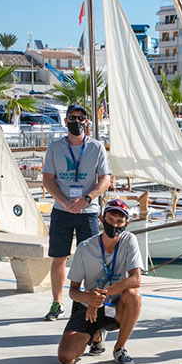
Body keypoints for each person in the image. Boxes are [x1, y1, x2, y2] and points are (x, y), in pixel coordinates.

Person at [42, 104, 112, 321]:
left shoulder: (96, 147)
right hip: (62, 211)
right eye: (72, 118)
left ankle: (89, 302)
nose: (77, 122)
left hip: (88, 211)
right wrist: (64, 202)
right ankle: (57, 303)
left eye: (81, 118)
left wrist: (86, 200)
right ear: (65, 121)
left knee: (91, 260)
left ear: (87, 122)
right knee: (59, 258)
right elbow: (48, 179)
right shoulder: (55, 148)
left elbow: (105, 179)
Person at [58, 199, 142, 364]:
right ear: (102, 219)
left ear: (127, 223)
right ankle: (94, 335)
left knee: (134, 295)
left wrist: (99, 297)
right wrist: (89, 298)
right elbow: (73, 291)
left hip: (114, 306)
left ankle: (120, 348)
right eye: (110, 220)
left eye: (120, 222)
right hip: (88, 308)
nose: (115, 225)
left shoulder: (129, 240)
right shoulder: (84, 248)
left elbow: (135, 279)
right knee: (66, 357)